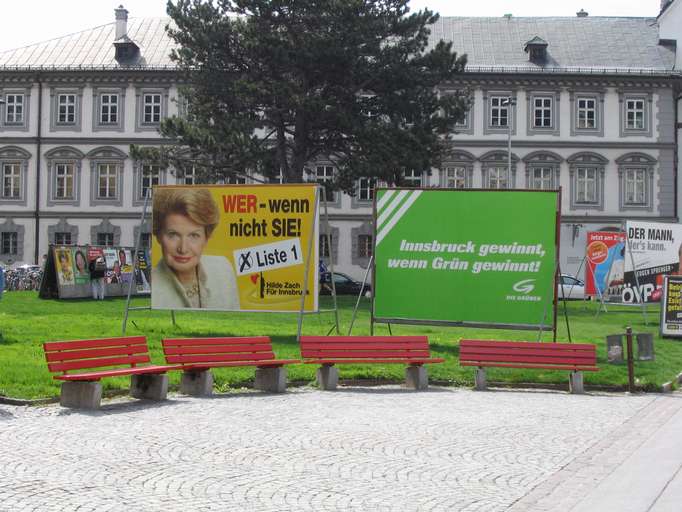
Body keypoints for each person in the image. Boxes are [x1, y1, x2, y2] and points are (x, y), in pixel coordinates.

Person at [151, 188, 239, 309]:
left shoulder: (223, 269)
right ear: (158, 236)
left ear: (206, 238)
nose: (183, 248)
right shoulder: (151, 287)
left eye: (194, 235)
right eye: (173, 235)